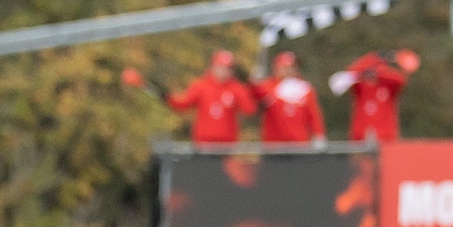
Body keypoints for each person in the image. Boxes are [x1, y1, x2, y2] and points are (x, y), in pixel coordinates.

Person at [127, 51, 259, 144]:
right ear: (213, 67)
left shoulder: (236, 88)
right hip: (203, 144)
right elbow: (181, 104)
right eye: (221, 67)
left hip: (226, 146)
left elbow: (250, 109)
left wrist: (250, 88)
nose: (224, 71)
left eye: (228, 68)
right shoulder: (201, 85)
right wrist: (165, 96)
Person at [334, 50, 419, 143]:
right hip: (360, 136)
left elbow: (400, 79)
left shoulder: (388, 86)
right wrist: (373, 58)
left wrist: (379, 70)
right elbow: (351, 72)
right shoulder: (360, 86)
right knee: (361, 157)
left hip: (386, 136)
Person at [254, 52, 324, 144]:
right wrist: (254, 83)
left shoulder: (305, 87)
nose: (289, 70)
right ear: (276, 68)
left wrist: (319, 134)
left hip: (299, 143)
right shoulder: (267, 86)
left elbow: (313, 113)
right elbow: (253, 106)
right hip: (273, 145)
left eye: (292, 67)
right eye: (285, 67)